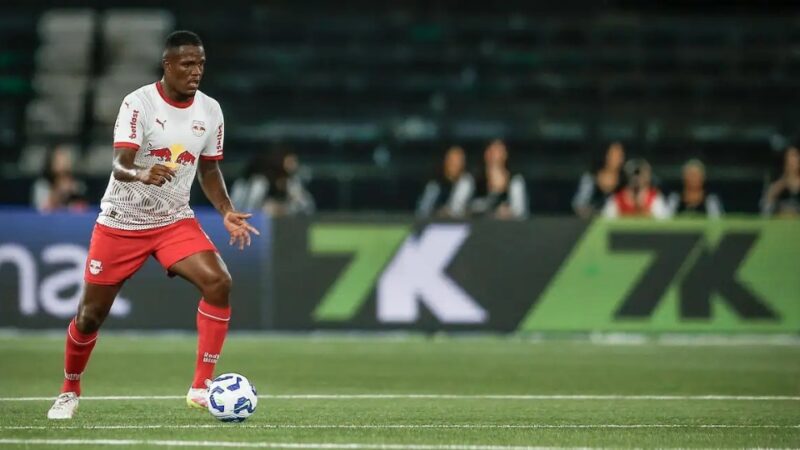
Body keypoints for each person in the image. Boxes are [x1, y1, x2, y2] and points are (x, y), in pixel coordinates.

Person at [46, 31, 259, 420]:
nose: (196, 71)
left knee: (218, 282)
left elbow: (209, 169)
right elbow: (119, 163)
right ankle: (69, 389)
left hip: (173, 220)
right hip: (121, 222)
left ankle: (200, 387)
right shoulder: (139, 103)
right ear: (167, 64)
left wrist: (226, 210)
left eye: (201, 64)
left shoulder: (210, 110)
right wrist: (142, 173)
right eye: (187, 64)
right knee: (89, 316)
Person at [471, 139, 528, 219]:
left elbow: (520, 212)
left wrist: (508, 212)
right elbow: (459, 209)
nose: (494, 155)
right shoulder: (473, 180)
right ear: (486, 154)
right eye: (492, 151)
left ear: (505, 155)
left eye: (499, 151)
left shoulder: (515, 181)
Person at [416, 145, 474, 218]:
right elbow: (423, 210)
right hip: (432, 221)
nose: (454, 164)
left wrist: (445, 212)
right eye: (452, 160)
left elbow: (456, 209)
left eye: (458, 161)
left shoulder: (466, 182)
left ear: (463, 164)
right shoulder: (434, 185)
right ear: (446, 161)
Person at [602, 158, 670, 219]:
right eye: (634, 173)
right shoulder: (616, 199)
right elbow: (607, 221)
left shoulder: (655, 198)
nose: (637, 178)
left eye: (640, 173)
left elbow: (662, 222)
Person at [572, 141, 625, 218]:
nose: (618, 158)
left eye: (621, 155)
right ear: (605, 155)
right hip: (592, 221)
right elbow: (579, 204)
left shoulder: (625, 179)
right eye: (614, 155)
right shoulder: (590, 178)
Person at [31, 144, 89, 212]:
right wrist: (59, 192)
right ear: (51, 163)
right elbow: (42, 209)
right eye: (58, 160)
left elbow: (83, 209)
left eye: (65, 159)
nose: (63, 164)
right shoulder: (42, 185)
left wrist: (72, 193)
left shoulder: (77, 185)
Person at [761, 146, 800, 217]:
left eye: (795, 157)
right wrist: (783, 182)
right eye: (789, 158)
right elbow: (766, 204)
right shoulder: (776, 178)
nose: (792, 161)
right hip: (780, 217)